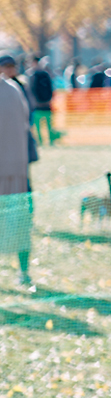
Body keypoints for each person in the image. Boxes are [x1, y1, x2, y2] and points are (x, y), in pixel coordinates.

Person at [0, 55, 32, 286]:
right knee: (19, 223)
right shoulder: (14, 90)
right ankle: (23, 272)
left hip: (10, 167)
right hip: (18, 169)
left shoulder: (12, 90)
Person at [27, 56, 56, 147]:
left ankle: (46, 142)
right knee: (42, 126)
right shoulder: (42, 74)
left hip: (42, 105)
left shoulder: (36, 75)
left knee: (44, 125)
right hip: (41, 105)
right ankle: (44, 142)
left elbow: (32, 90)